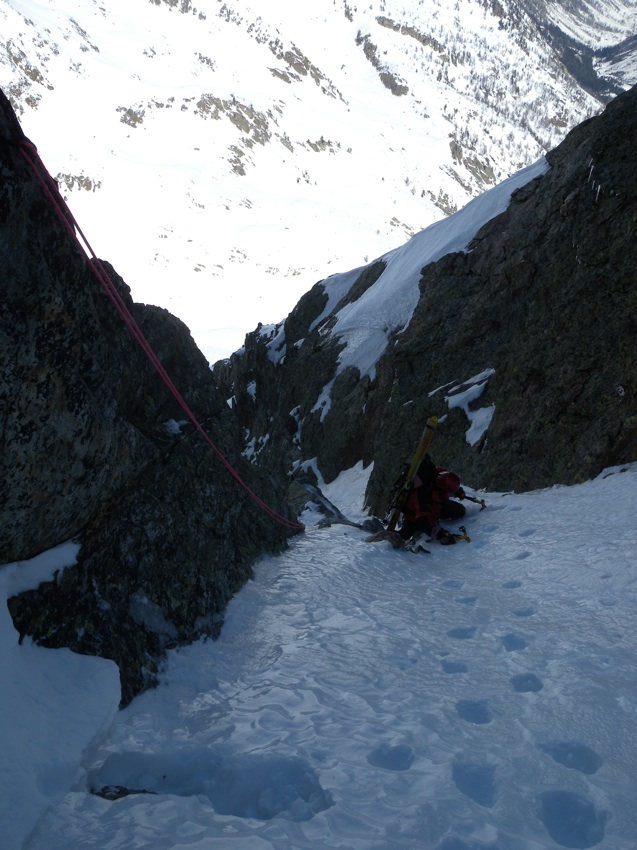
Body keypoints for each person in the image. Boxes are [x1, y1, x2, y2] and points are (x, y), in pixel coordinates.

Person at [399, 454, 466, 545]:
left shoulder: (436, 475)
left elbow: (447, 478)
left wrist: (457, 490)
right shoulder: (424, 494)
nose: (449, 493)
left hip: (432, 506)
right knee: (404, 536)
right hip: (414, 515)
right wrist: (441, 535)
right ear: (444, 488)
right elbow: (422, 520)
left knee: (459, 510)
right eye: (449, 491)